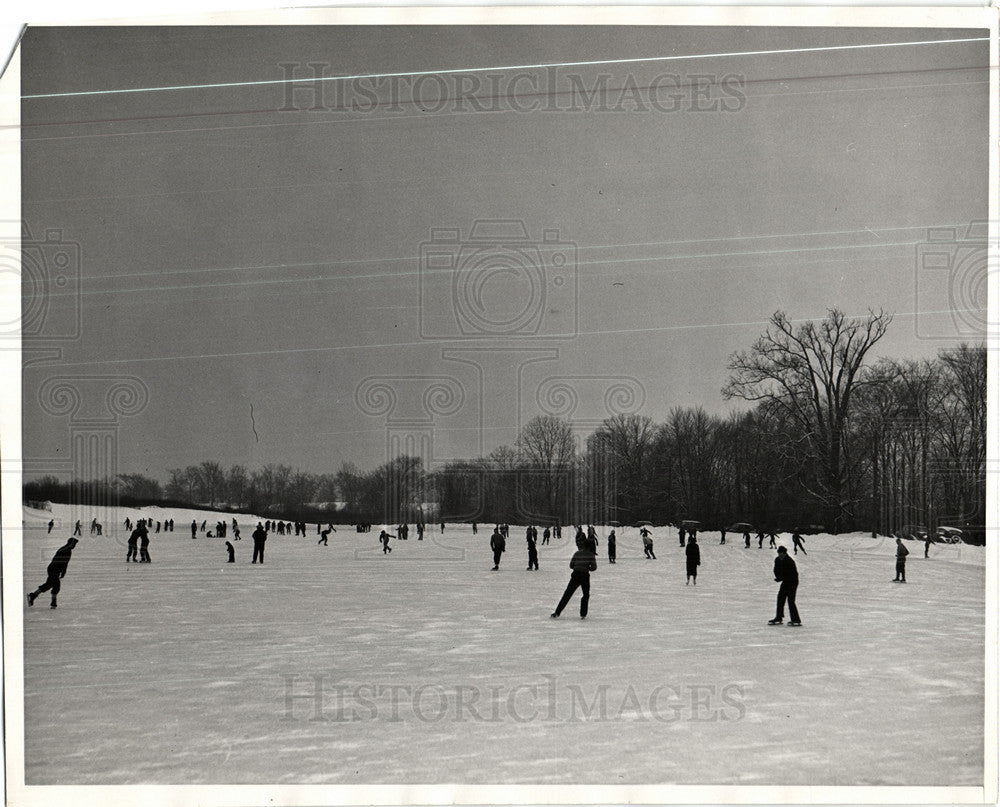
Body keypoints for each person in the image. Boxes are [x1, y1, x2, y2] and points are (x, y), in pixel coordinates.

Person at [27, 538, 78, 609]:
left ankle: (52, 602)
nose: (74, 546)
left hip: (55, 569)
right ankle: (34, 596)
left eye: (75, 544)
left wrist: (63, 571)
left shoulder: (67, 550)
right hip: (53, 569)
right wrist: (63, 571)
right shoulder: (65, 550)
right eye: (74, 544)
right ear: (70, 543)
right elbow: (64, 561)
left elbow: (65, 563)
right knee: (50, 584)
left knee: (55, 585)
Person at [551, 542, 598, 619]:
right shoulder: (591, 555)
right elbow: (594, 567)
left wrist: (578, 567)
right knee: (585, 594)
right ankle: (583, 614)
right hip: (584, 576)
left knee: (567, 594)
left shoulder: (577, 553)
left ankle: (557, 612)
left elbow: (571, 565)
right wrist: (587, 568)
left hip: (575, 575)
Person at [769, 546, 801, 625]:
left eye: (782, 553)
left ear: (785, 553)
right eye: (779, 553)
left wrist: (781, 578)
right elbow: (776, 570)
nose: (780, 554)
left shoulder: (789, 561)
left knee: (790, 600)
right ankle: (779, 617)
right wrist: (778, 577)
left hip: (793, 581)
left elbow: (791, 574)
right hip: (785, 581)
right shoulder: (777, 560)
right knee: (780, 598)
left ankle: (796, 619)